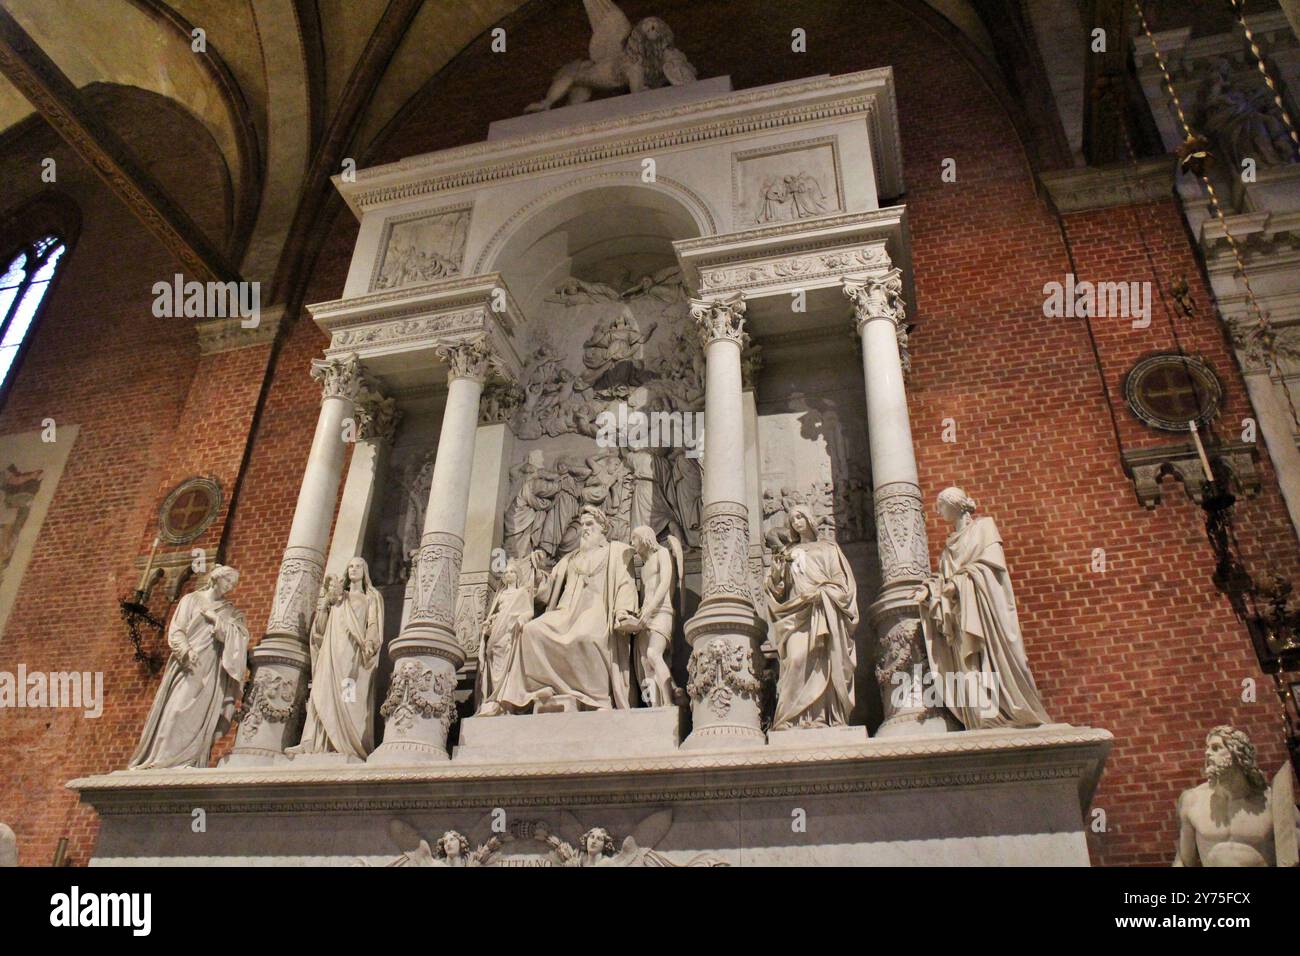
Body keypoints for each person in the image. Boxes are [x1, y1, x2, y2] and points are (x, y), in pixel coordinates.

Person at [916, 487, 1049, 729]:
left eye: (941, 505)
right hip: (960, 618)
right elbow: (945, 585)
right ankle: (984, 713)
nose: (938, 511)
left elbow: (992, 571)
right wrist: (930, 591)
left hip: (985, 611)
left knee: (994, 654)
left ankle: (1006, 707)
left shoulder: (984, 528)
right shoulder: (947, 551)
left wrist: (958, 583)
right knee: (968, 664)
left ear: (955, 505)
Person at [493, 507, 638, 712]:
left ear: (603, 529)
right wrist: (537, 571)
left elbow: (626, 583)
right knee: (531, 631)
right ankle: (543, 689)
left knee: (586, 637)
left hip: (597, 610)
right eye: (582, 525)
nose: (584, 529)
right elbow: (546, 592)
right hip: (564, 612)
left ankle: (596, 698)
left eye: (590, 524)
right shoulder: (570, 559)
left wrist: (623, 611)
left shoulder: (616, 552)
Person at [129, 565, 249, 769]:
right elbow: (177, 630)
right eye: (228, 580)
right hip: (189, 664)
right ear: (216, 578)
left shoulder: (230, 612)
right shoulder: (191, 600)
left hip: (212, 668)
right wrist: (186, 651)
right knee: (176, 710)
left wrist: (218, 621)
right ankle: (162, 760)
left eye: (233, 584)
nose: (229, 586)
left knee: (199, 715)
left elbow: (240, 636)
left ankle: (189, 761)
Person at [765, 505, 859, 729]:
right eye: (792, 519)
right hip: (796, 612)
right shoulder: (787, 552)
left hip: (823, 609)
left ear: (809, 518)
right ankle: (792, 718)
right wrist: (777, 572)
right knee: (796, 658)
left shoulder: (828, 548)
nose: (797, 522)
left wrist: (822, 593)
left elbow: (841, 582)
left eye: (800, 517)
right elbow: (777, 589)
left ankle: (822, 717)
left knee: (823, 660)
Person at [288, 556, 383, 759]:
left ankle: (345, 743)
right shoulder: (338, 598)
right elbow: (320, 628)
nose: (353, 569)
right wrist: (325, 604)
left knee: (348, 695)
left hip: (352, 656)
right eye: (350, 566)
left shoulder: (370, 598)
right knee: (321, 691)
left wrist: (370, 642)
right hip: (331, 651)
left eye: (358, 566)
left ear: (365, 571)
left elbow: (373, 625)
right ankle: (311, 741)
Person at [1174, 725, 1299, 867]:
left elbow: (1293, 854)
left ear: (1238, 754)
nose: (1207, 753)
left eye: (1216, 748)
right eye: (1207, 748)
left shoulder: (1273, 801)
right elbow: (1184, 861)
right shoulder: (1192, 801)